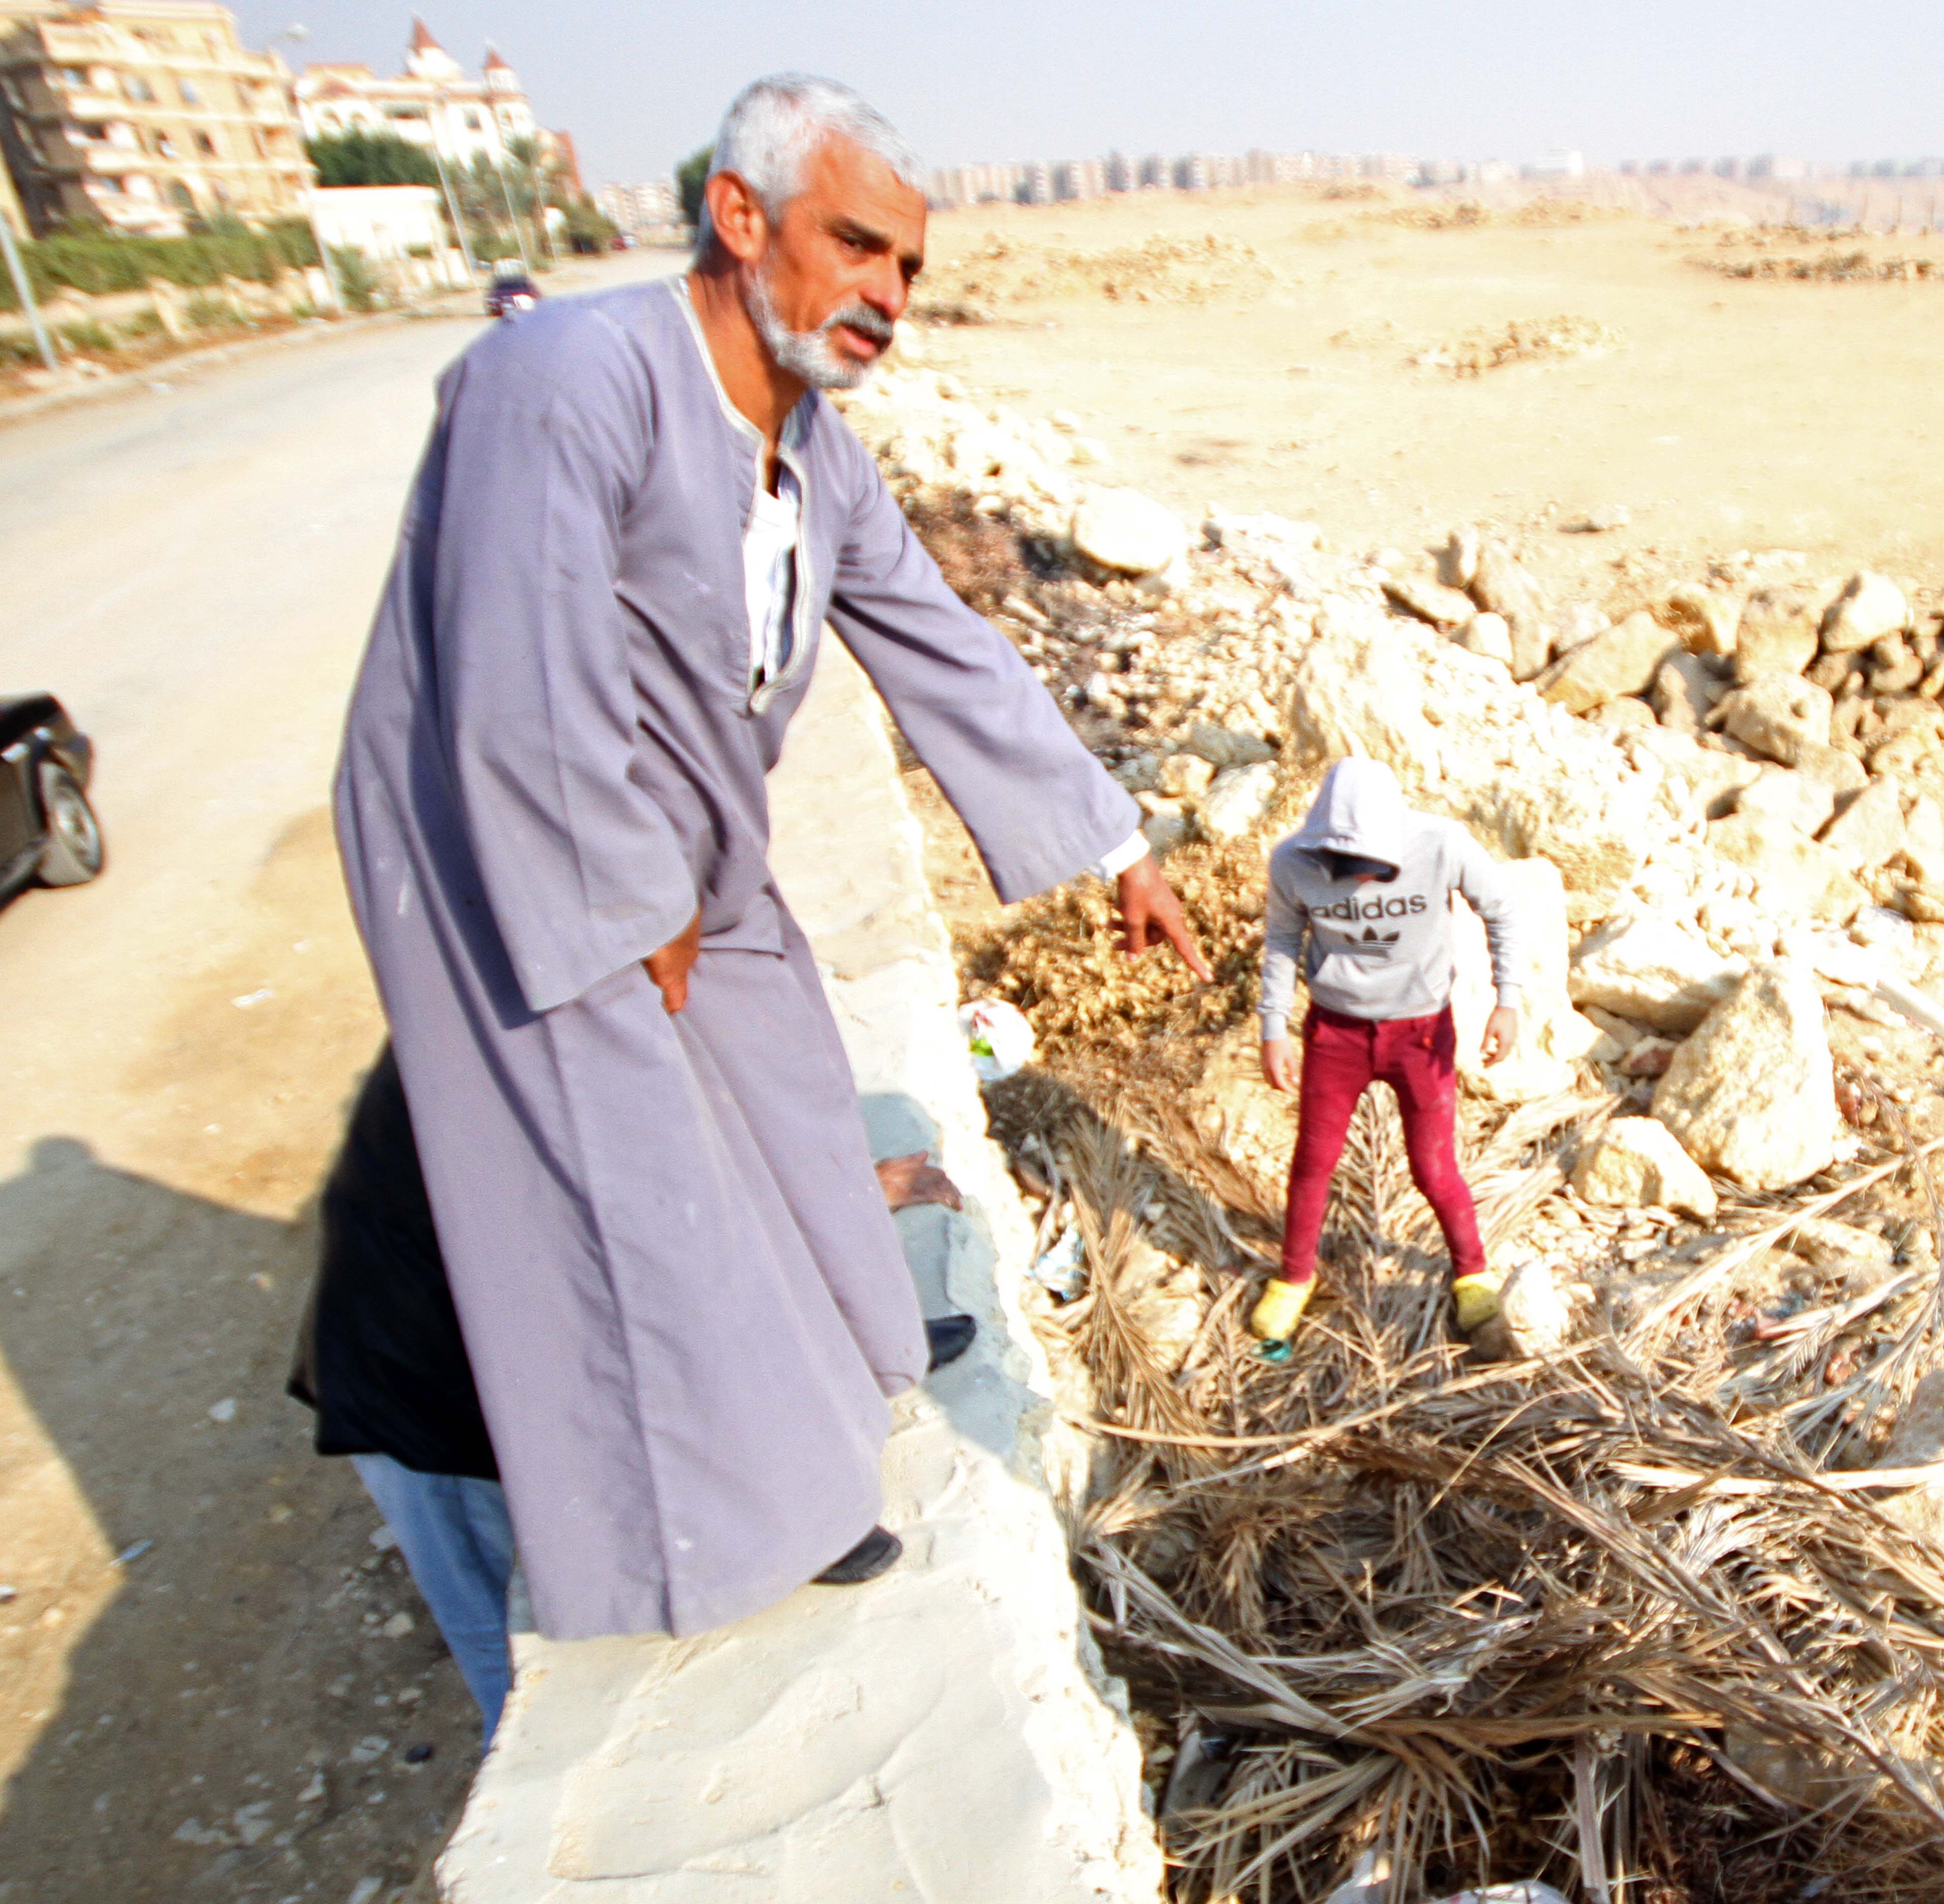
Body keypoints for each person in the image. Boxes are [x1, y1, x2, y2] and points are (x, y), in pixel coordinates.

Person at [331, 73, 1209, 1644]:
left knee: (789, 1079)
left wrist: (1113, 843)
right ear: (743, 220)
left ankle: (859, 1343)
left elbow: (938, 643)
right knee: (638, 1173)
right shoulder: (565, 375)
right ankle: (744, 1524)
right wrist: (627, 899)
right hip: (518, 845)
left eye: (909, 271)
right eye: (859, 248)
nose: (886, 296)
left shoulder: (814, 453)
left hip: (677, 842)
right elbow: (518, 670)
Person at [286, 1049, 973, 1738]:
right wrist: (797, 1505)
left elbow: (719, 1166)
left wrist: (847, 1221)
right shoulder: (573, 1039)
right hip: (427, 1397)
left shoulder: (599, 997)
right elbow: (670, 1283)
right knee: (525, 1680)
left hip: (517, 1335)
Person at [1250, 757, 1526, 1350]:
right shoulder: (1292, 862)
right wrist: (1273, 1026)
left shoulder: (1441, 843)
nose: (1363, 880)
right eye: (1347, 867)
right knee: (1313, 1162)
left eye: (1375, 866)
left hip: (1421, 1034)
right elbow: (1280, 940)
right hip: (1336, 1034)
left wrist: (1509, 999)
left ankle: (1472, 1272)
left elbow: (1501, 908)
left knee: (1434, 1167)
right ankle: (1296, 1276)